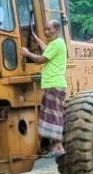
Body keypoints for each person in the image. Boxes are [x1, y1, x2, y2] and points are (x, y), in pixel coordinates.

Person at [22, 20, 67, 156]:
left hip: (54, 84)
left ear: (57, 29)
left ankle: (58, 146)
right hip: (52, 84)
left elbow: (42, 59)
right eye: (45, 30)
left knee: (53, 115)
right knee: (50, 114)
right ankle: (54, 145)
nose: (47, 32)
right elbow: (46, 50)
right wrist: (36, 38)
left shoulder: (57, 43)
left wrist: (27, 53)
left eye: (49, 29)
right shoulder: (55, 44)